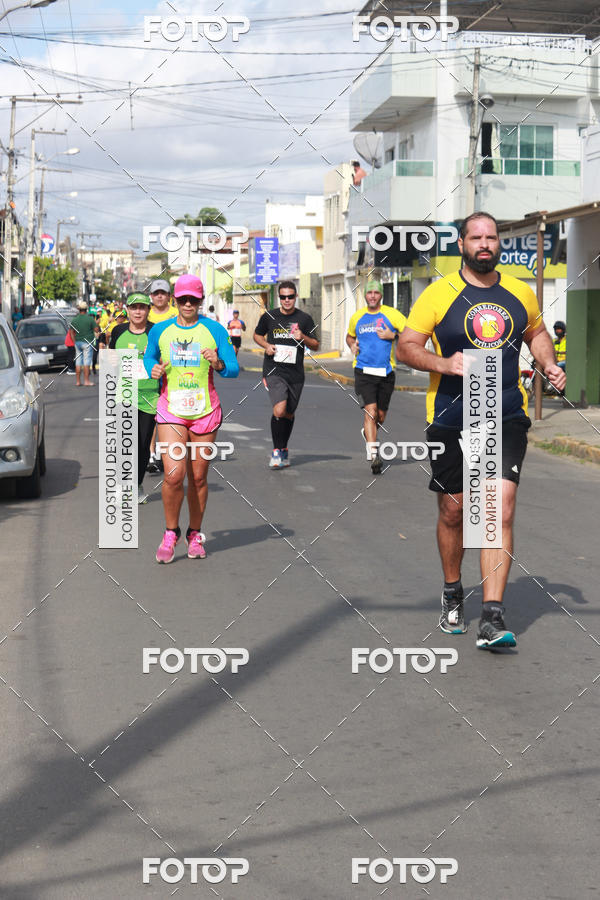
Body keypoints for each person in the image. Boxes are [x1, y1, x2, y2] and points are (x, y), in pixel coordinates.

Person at [396, 211, 566, 650]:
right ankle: (453, 590)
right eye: (477, 237)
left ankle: (492, 615)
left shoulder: (518, 292)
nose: (485, 244)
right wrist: (443, 363)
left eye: (492, 237)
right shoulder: (439, 294)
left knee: (497, 508)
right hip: (452, 412)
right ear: (462, 244)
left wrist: (547, 362)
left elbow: (537, 331)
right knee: (454, 511)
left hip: (503, 410)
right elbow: (407, 347)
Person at [144, 273, 239, 563]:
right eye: (182, 299)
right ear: (175, 300)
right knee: (174, 475)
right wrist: (153, 369)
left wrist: (218, 362)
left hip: (205, 412)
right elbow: (149, 357)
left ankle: (194, 533)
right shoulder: (159, 330)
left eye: (193, 299)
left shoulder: (215, 330)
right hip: (172, 409)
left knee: (198, 477)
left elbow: (233, 369)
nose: (187, 303)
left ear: (200, 301)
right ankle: (171, 532)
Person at [253, 280, 320, 468]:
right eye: (283, 297)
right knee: (279, 410)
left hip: (296, 373)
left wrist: (303, 337)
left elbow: (316, 344)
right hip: (274, 370)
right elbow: (257, 335)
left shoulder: (305, 319)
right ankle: (276, 451)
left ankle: (283, 449)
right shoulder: (269, 317)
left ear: (296, 297)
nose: (287, 300)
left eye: (290, 296)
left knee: (289, 413)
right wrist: (266, 345)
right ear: (279, 297)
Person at [346, 280, 407, 474]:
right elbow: (349, 335)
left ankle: (368, 433)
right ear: (365, 295)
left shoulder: (392, 314)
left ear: (381, 295)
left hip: (386, 372)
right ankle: (374, 456)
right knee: (370, 412)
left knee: (380, 416)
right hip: (363, 371)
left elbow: (411, 334)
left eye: (376, 292)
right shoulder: (357, 317)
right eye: (369, 292)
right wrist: (351, 345)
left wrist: (394, 336)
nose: (372, 296)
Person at [109, 292, 159, 504]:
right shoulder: (118, 331)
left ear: (148, 310)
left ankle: (136, 485)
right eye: (134, 307)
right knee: (127, 443)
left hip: (150, 396)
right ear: (127, 310)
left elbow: (164, 358)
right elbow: (111, 359)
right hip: (125, 393)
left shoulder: (156, 331)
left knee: (143, 444)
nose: (138, 311)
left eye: (142, 307)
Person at [146, 278, 177, 472]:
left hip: (174, 373)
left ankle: (171, 453)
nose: (159, 296)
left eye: (163, 293)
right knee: (152, 413)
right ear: (151, 296)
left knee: (170, 415)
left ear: (169, 297)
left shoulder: (177, 314)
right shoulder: (143, 313)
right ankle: (151, 454)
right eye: (156, 293)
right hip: (150, 372)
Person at [69, 300, 99, 387]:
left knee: (78, 362)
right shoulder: (90, 319)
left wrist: (74, 341)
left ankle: (78, 381)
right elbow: (96, 330)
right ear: (86, 309)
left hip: (77, 342)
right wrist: (96, 324)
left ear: (79, 309)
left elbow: (71, 332)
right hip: (87, 343)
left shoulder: (75, 320)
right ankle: (86, 381)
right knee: (86, 362)